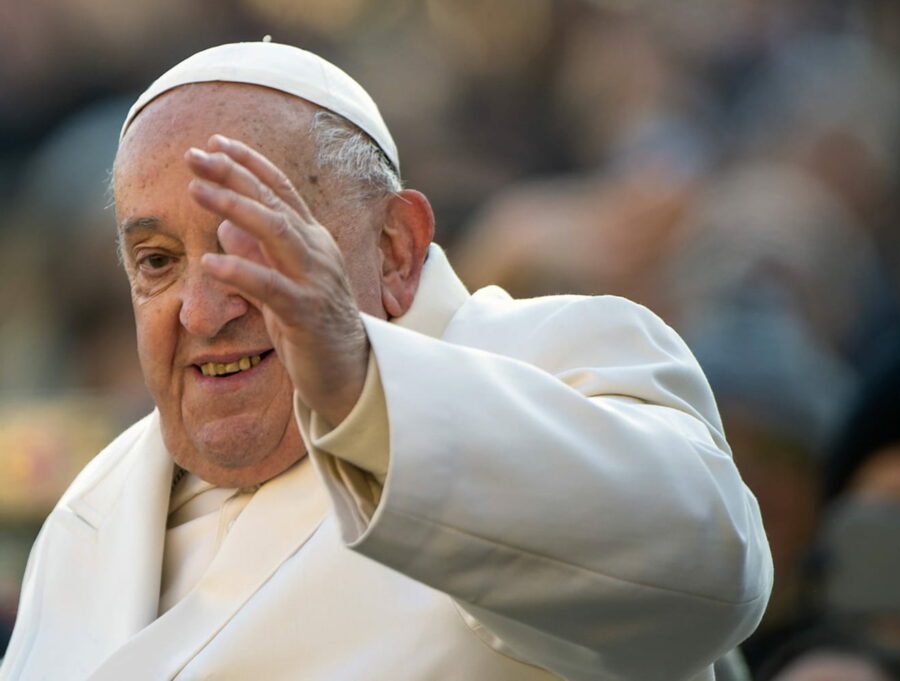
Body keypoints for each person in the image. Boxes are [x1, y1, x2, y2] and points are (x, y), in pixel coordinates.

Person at [0, 42, 771, 681]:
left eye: (253, 243)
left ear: (395, 248)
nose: (203, 311)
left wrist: (363, 385)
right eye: (158, 261)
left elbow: (711, 577)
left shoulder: (556, 355)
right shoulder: (87, 509)